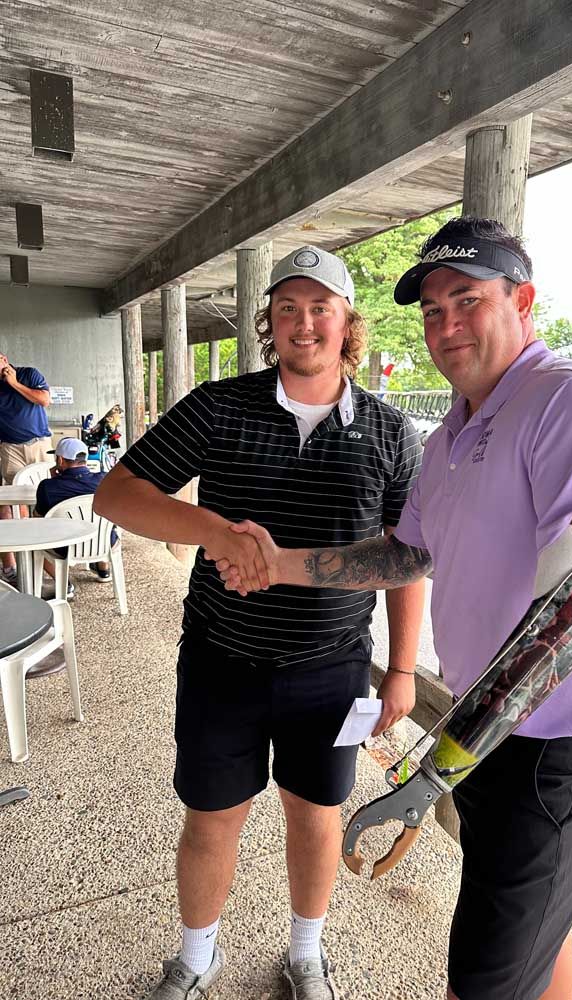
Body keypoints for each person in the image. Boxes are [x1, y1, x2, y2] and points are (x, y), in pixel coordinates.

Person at [212, 218, 572, 1000]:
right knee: (535, 945)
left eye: (467, 301)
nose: (446, 325)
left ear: (523, 301)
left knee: (481, 980)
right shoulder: (454, 429)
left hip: (559, 748)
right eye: (430, 310)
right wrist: (281, 564)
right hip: (495, 737)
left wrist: (440, 765)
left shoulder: (571, 404)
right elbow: (405, 555)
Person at [93, 245, 424, 1000]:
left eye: (320, 308)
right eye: (286, 310)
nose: (303, 324)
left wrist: (401, 671)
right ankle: (196, 955)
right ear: (269, 325)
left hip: (334, 666)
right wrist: (211, 530)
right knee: (211, 816)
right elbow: (117, 493)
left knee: (317, 814)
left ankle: (306, 953)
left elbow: (407, 559)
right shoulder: (219, 406)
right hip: (221, 655)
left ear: (348, 324)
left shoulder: (391, 431)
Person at [35, 437, 114, 596]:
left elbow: (38, 519)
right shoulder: (105, 479)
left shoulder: (47, 487)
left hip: (65, 546)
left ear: (61, 460)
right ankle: (103, 570)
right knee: (106, 526)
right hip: (104, 542)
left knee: (33, 546)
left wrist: (53, 482)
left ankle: (65, 584)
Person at [0, 352, 52, 584]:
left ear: (3, 358)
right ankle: (14, 566)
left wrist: (14, 384)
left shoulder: (28, 374)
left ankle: (46, 556)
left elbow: (43, 400)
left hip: (38, 444)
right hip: (10, 448)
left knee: (46, 497)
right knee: (13, 503)